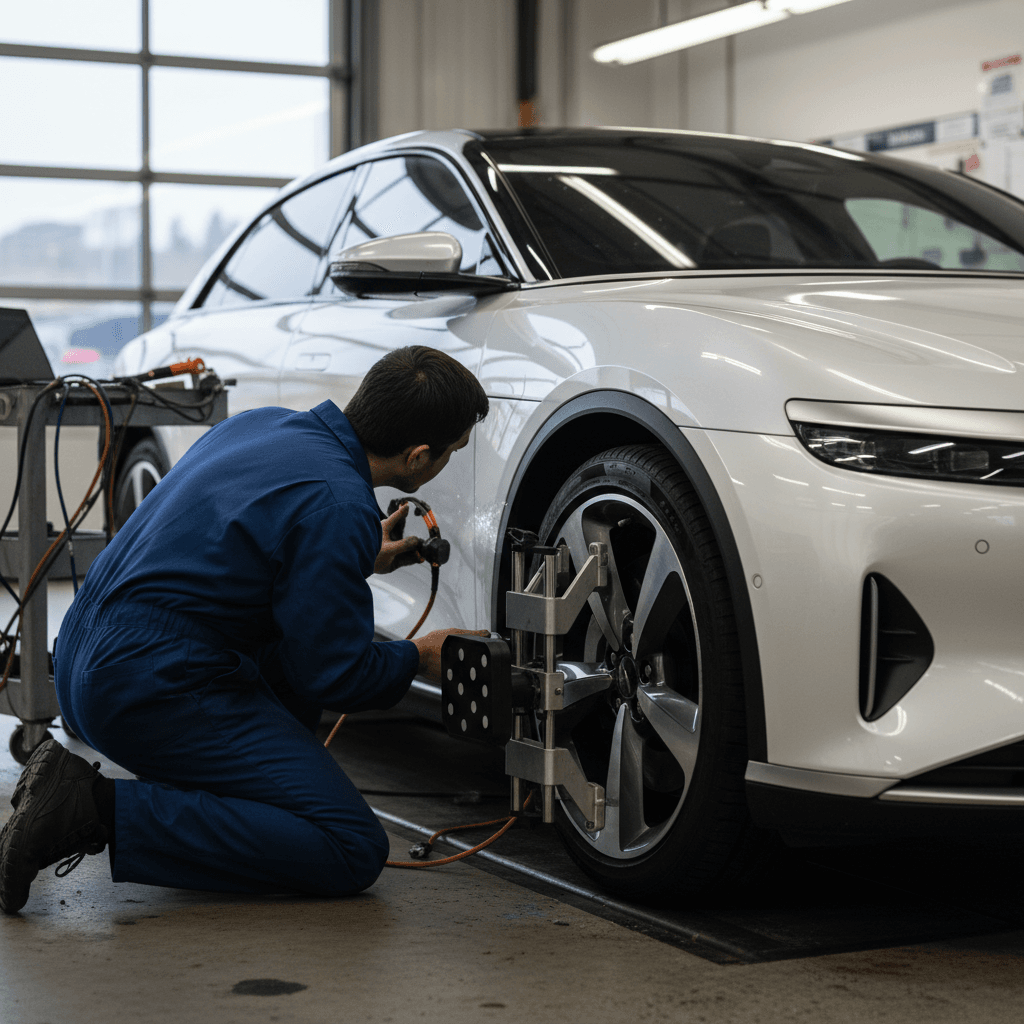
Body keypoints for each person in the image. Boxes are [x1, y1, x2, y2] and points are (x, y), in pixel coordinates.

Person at [0, 345, 489, 914]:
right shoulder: (336, 506)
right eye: (452, 452)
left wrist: (356, 554)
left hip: (84, 657)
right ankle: (93, 808)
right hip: (148, 684)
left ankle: (208, 796)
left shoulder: (264, 424)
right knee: (352, 845)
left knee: (280, 664)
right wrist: (420, 657)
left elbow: (247, 547)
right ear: (419, 456)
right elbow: (338, 675)